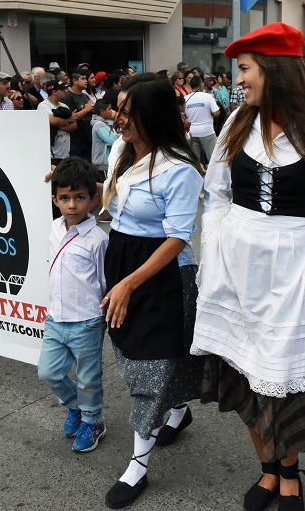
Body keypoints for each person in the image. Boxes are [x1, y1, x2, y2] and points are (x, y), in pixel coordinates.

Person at [190, 22, 305, 511]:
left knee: (290, 382)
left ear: (274, 68)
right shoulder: (238, 120)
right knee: (243, 375)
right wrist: (216, 255)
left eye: (244, 69)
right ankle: (266, 470)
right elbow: (217, 194)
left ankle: (290, 473)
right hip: (235, 265)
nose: (238, 79)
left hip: (295, 267)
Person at [101, 74, 204, 509]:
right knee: (135, 352)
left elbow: (178, 237)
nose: (118, 118)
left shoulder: (180, 168)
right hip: (123, 259)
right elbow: (111, 207)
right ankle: (178, 411)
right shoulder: (122, 153)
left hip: (160, 273)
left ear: (153, 115)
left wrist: (129, 282)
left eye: (128, 111)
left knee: (152, 364)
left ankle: (138, 465)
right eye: (118, 109)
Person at [38, 157, 109, 452]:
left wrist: (101, 314)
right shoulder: (54, 228)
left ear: (93, 200)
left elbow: (104, 281)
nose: (72, 205)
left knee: (88, 378)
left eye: (79, 198)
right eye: (64, 198)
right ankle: (76, 408)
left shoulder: (97, 239)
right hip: (56, 317)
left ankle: (94, 421)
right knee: (48, 372)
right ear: (55, 200)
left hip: (87, 320)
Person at [184, 76, 220, 166]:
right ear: (201, 85)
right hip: (207, 132)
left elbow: (183, 114)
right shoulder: (208, 96)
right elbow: (216, 113)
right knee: (213, 159)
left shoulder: (185, 98)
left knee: (194, 161)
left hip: (192, 133)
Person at [91, 100, 117, 173]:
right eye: (109, 109)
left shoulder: (104, 124)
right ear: (102, 111)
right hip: (102, 166)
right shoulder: (99, 125)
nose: (112, 112)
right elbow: (114, 141)